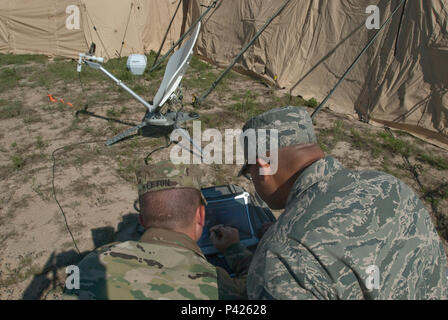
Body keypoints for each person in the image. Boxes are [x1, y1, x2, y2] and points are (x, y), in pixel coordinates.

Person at [237, 106, 448, 300]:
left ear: (263, 167)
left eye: (250, 174)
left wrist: (244, 256)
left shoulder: (280, 257)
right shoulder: (391, 185)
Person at [63, 161, 251, 300]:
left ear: (142, 220)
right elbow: (255, 288)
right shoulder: (217, 285)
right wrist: (234, 250)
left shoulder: (91, 263)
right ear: (200, 215)